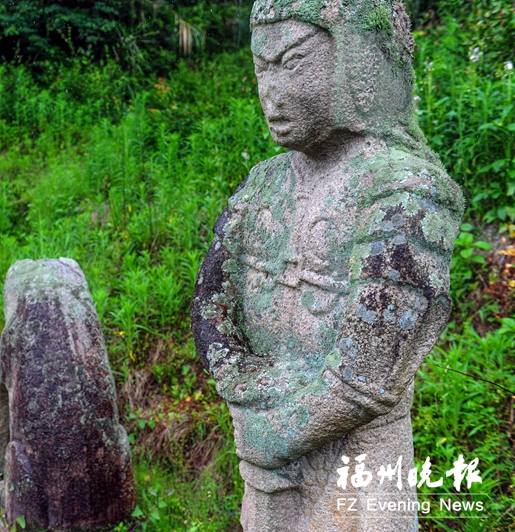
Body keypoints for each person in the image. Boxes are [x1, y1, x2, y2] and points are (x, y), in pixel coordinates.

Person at [190, 1, 464, 530]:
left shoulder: (404, 190)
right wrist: (244, 384)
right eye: (261, 68)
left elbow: (365, 376)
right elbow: (210, 303)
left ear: (357, 61)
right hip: (263, 455)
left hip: (359, 474)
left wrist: (272, 435)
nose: (272, 92)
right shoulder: (264, 182)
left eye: (293, 63)